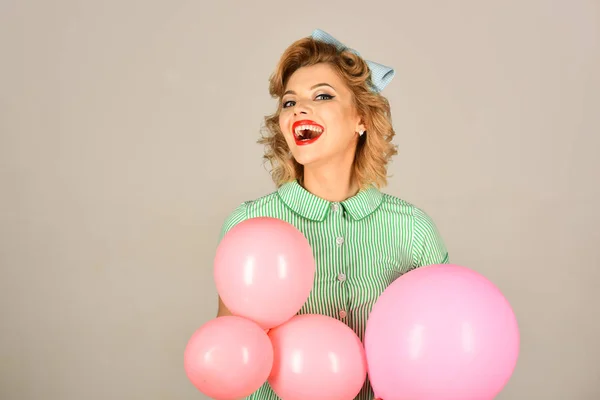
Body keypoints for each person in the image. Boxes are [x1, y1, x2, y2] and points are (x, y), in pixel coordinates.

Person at [215, 29, 449, 400]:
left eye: (322, 96)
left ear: (362, 119)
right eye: (289, 103)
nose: (299, 110)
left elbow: (438, 352)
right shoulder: (249, 226)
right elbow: (230, 360)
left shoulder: (413, 230)